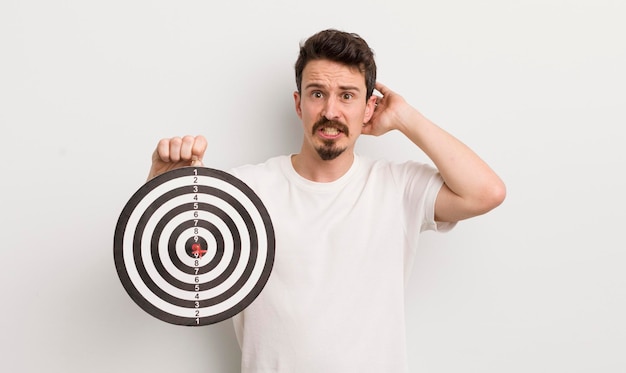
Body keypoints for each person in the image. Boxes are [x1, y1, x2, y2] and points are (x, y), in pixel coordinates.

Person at [147, 29, 505, 373]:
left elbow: (486, 193)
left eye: (347, 95)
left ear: (369, 107)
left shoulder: (398, 187)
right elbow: (173, 267)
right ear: (298, 103)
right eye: (317, 93)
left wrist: (405, 118)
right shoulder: (246, 191)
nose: (331, 111)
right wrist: (162, 188)